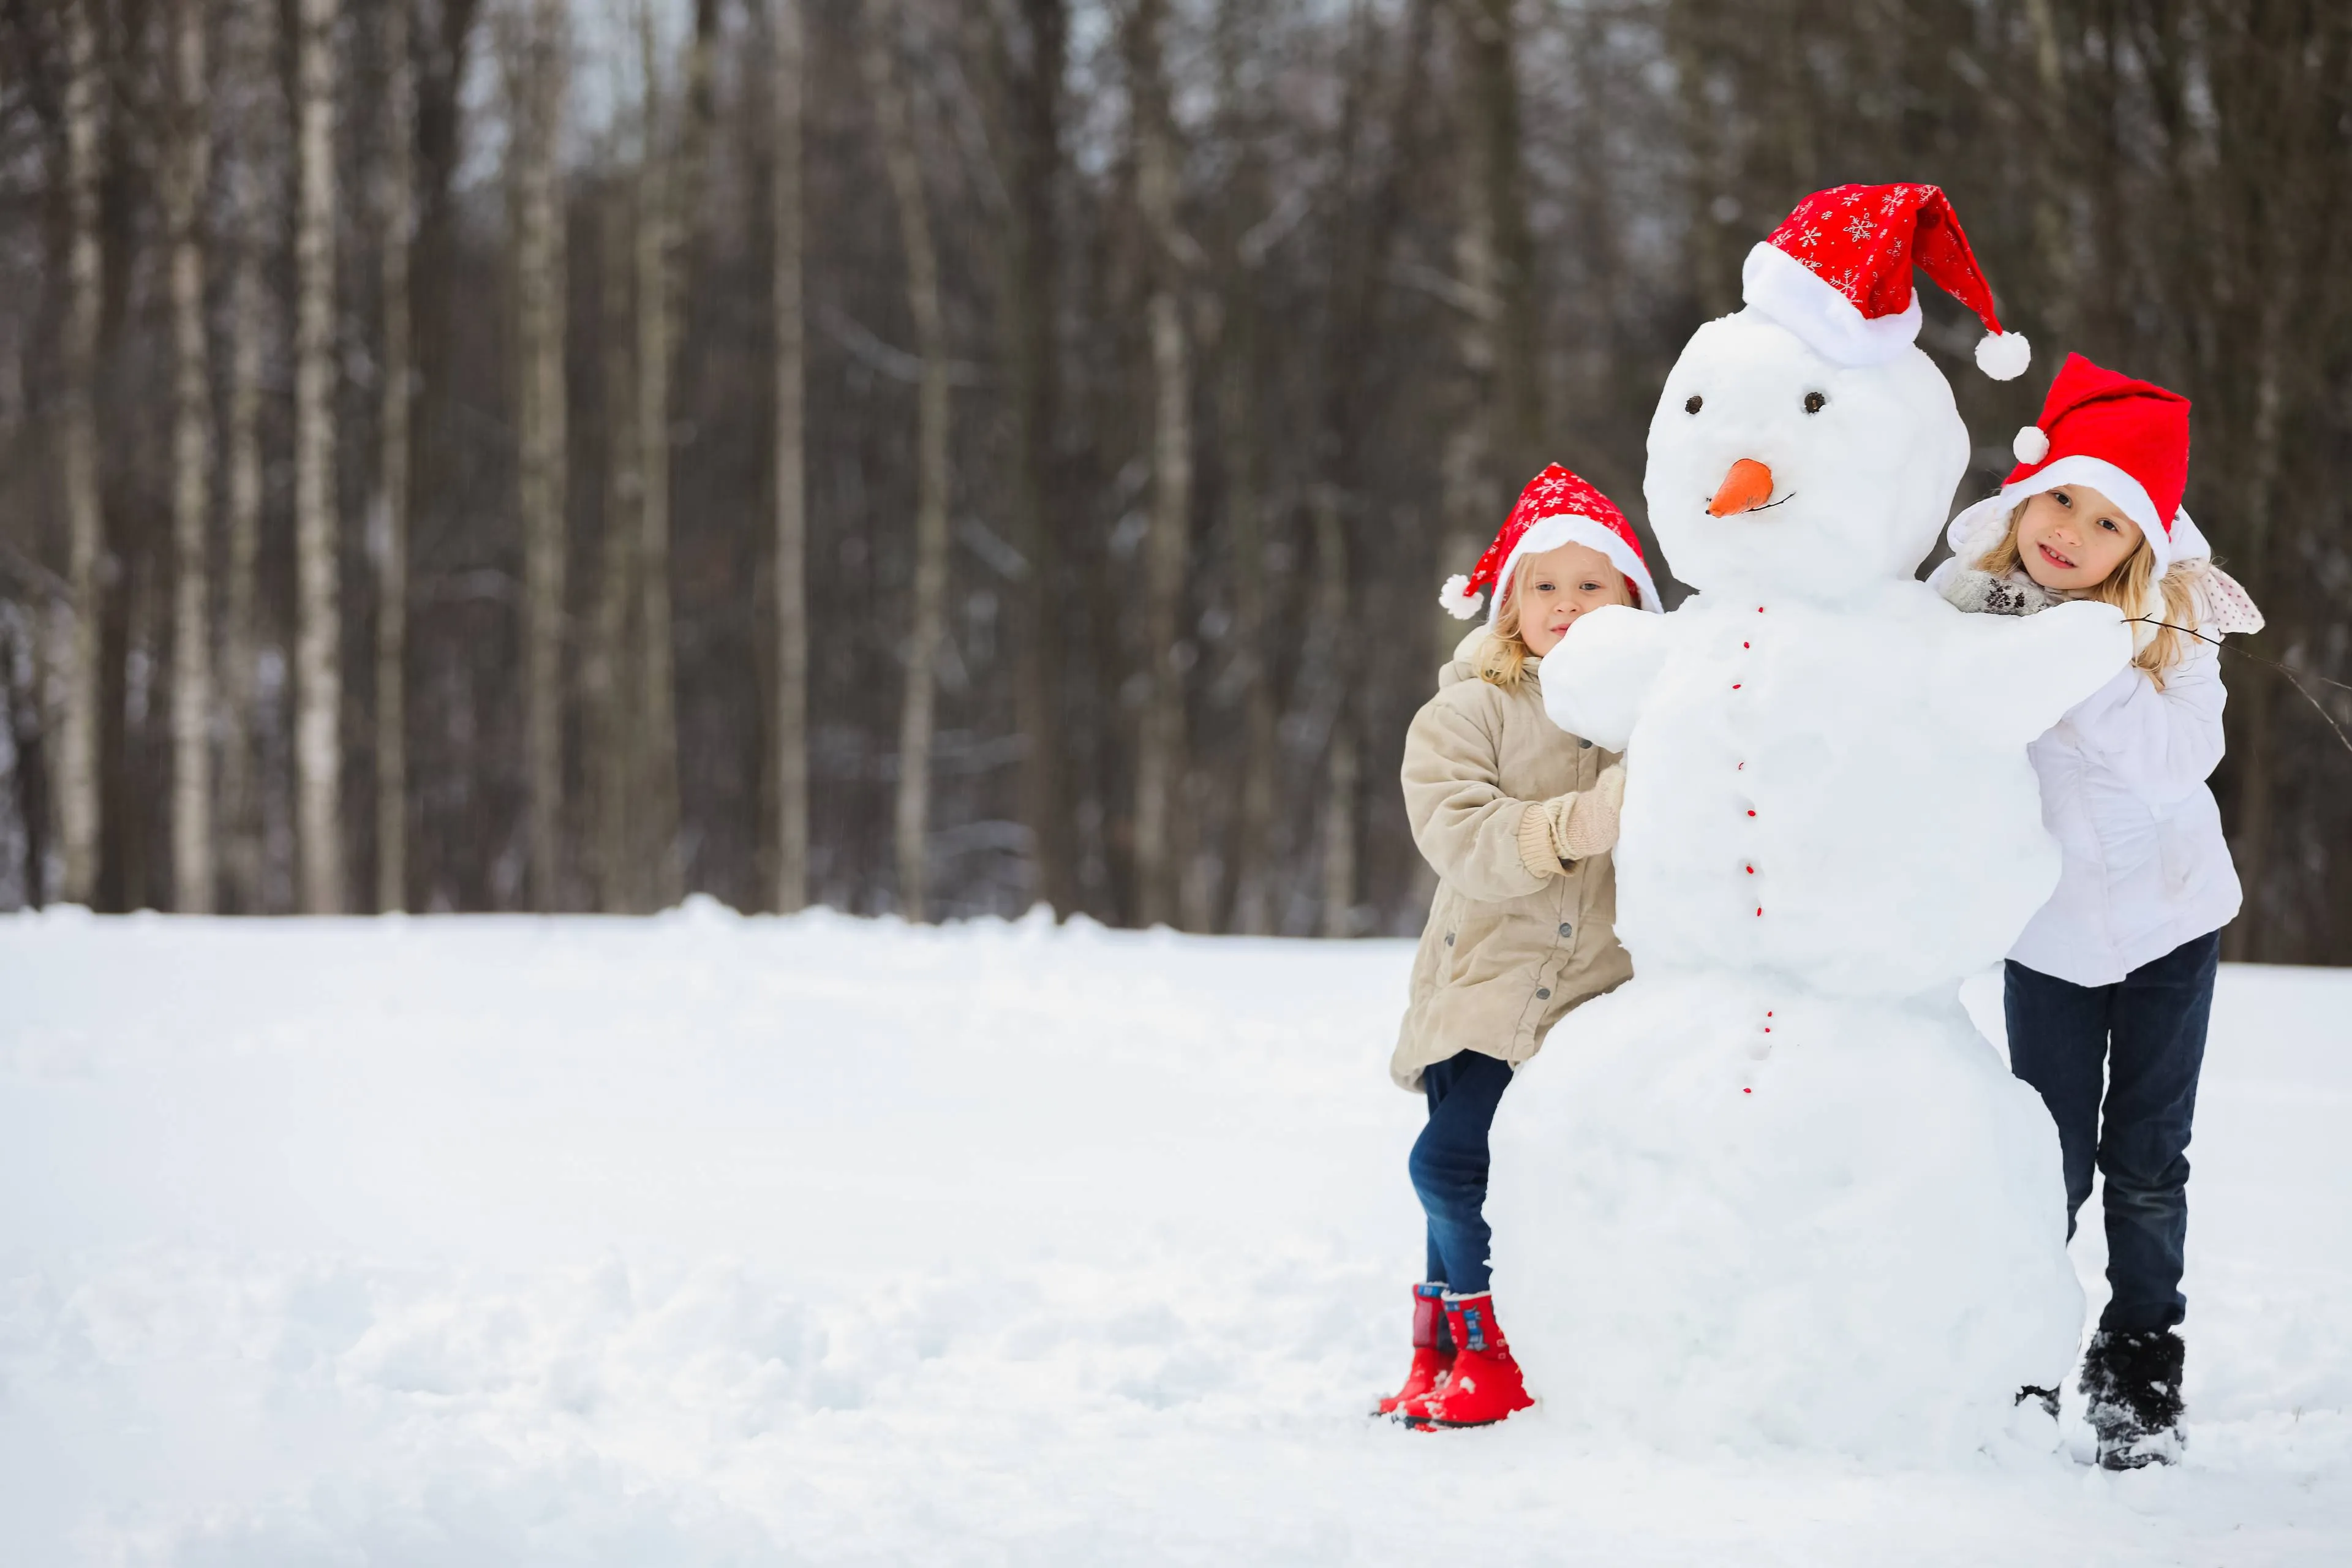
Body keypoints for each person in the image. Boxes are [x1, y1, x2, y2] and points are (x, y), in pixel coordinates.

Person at [1932, 353, 2263, 1469]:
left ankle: (2137, 1368)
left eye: (2107, 523)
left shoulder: (2170, 637)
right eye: (2060, 501)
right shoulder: (1972, 619)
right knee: (2050, 1159)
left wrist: (2089, 658)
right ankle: (2023, 1362)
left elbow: (2179, 770)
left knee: (2148, 1159)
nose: (2069, 533)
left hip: (2172, 928)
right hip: (2049, 940)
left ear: (2141, 550)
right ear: (2027, 499)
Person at [1375, 464, 1662, 1429]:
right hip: (1483, 992)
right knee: (1452, 1169)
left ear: (1633, 599)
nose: (1568, 607)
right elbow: (1463, 837)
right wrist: (1578, 823)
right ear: (1510, 602)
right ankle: (1480, 1349)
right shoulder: (1470, 711)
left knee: (1484, 1171)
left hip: (1591, 1006)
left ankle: (1446, 1350)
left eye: (1593, 586)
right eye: (1545, 586)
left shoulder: (1654, 721)